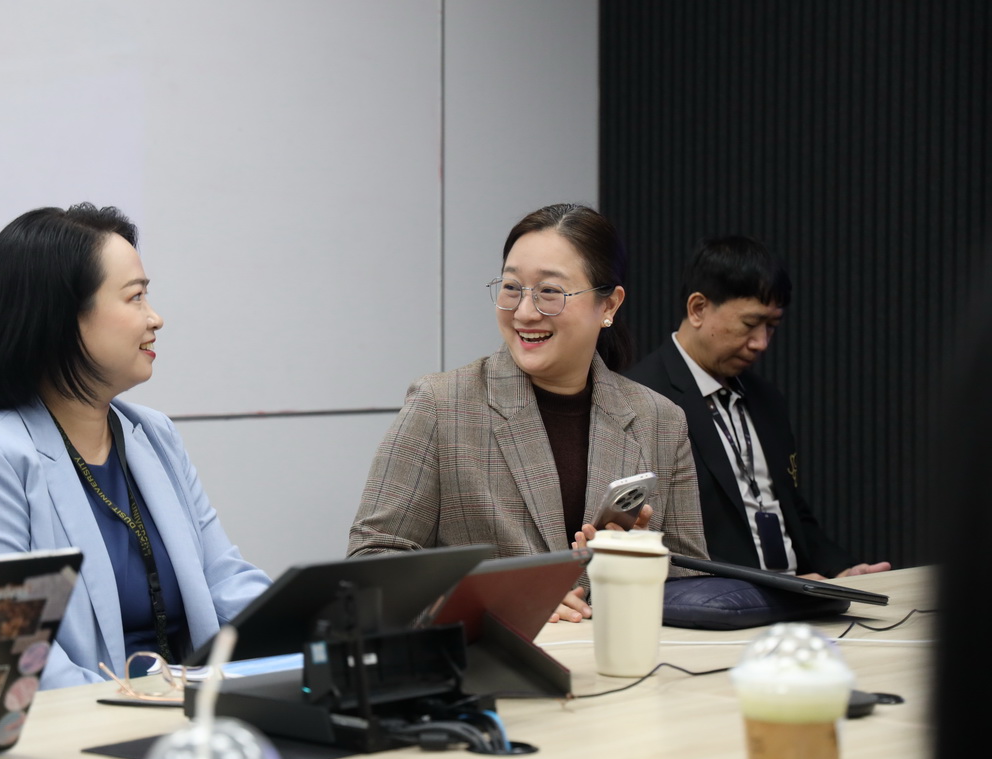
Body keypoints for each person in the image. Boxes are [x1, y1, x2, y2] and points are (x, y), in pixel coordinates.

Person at [0, 203, 271, 688]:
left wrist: (308, 634)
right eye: (135, 297)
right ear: (62, 317)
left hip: (188, 707)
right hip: (85, 721)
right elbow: (4, 654)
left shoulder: (154, 434)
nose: (156, 318)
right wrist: (140, 708)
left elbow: (225, 580)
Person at [348, 203, 710, 622]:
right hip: (493, 657)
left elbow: (693, 582)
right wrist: (501, 598)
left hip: (624, 656)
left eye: (549, 292)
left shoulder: (660, 421)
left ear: (609, 305)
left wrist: (639, 563)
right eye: (511, 288)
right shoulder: (441, 405)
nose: (524, 312)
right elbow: (371, 564)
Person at [626, 235, 890, 579]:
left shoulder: (766, 399)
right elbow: (656, 542)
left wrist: (842, 571)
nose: (761, 343)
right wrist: (774, 592)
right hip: (718, 600)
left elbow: (792, 512)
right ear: (698, 309)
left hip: (797, 592)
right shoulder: (640, 399)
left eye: (772, 327)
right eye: (750, 325)